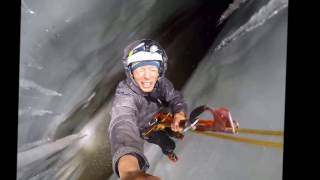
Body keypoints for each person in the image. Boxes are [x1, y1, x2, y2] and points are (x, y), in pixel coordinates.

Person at [108, 39, 188, 179]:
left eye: (152, 69)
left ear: (159, 71)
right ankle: (169, 151)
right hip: (147, 130)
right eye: (140, 69)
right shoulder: (125, 93)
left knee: (174, 130)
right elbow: (122, 122)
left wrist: (179, 112)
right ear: (131, 73)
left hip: (160, 117)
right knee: (167, 143)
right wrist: (129, 171)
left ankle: (173, 133)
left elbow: (174, 97)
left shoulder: (161, 83)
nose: (147, 76)